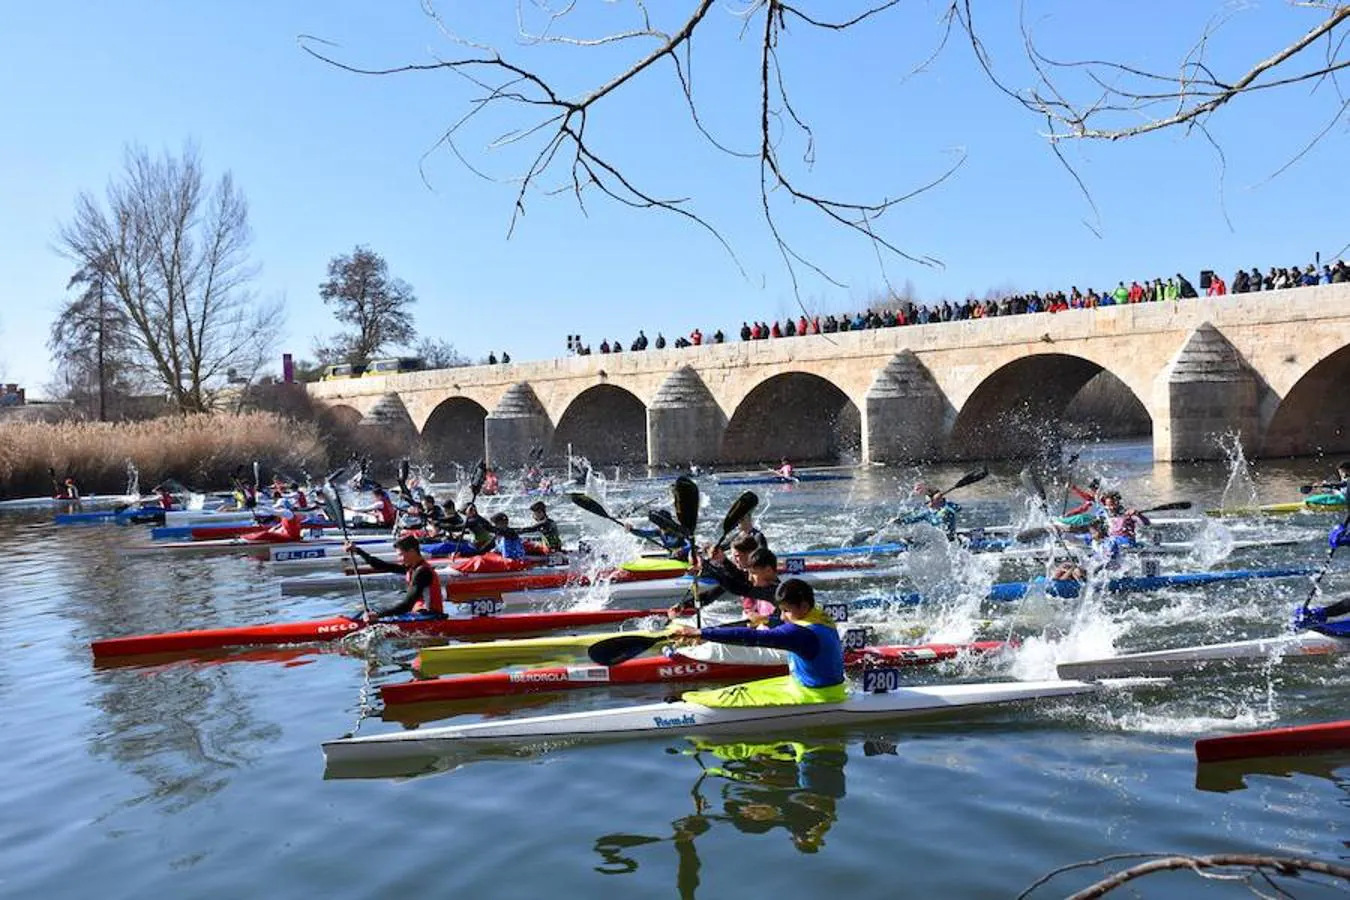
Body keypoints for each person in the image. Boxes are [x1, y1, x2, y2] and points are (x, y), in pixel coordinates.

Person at [672, 578, 845, 707]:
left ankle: (687, 701)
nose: (782, 617)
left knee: (724, 698)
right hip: (828, 689)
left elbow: (750, 637)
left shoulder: (799, 633)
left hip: (816, 697)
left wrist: (701, 632)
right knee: (738, 691)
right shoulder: (820, 616)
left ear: (804, 607)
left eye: (786, 611)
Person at [343, 535, 444, 623]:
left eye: (400, 555)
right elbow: (381, 565)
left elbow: (407, 605)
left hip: (431, 616)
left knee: (378, 616)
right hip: (419, 614)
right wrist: (358, 551)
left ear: (412, 552)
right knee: (369, 610)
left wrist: (378, 616)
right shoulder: (411, 567)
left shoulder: (422, 572)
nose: (398, 559)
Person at [688, 543, 781, 626]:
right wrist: (722, 560)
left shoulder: (778, 592)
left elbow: (736, 587)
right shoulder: (762, 585)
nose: (750, 578)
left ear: (768, 570)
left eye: (753, 573)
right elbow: (738, 578)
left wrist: (706, 566)